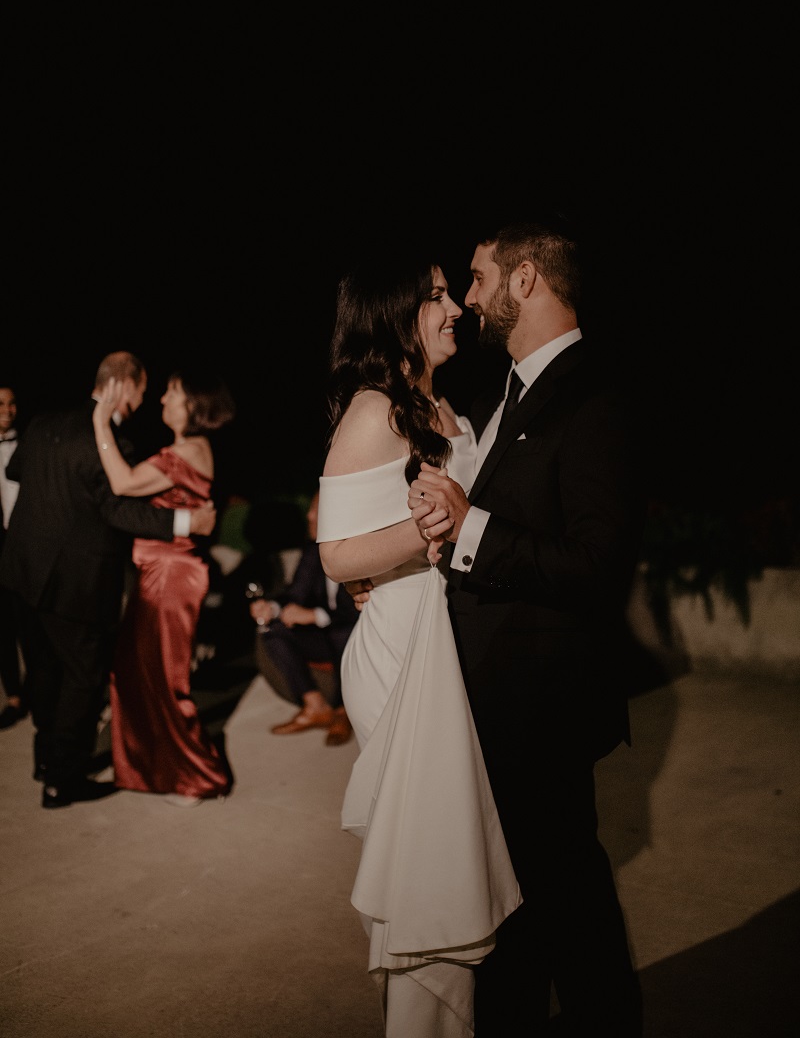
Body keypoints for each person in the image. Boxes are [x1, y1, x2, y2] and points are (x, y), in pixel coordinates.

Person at [405, 220, 646, 1035]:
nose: (469, 298)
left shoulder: (596, 397)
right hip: (486, 702)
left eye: (478, 278)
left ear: (527, 279)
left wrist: (471, 527)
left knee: (567, 903)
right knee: (511, 910)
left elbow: (595, 564)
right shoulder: (492, 399)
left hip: (543, 706)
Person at [316, 256, 521, 1037]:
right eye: (435, 297)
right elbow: (336, 553)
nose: (454, 309)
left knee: (447, 856)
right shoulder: (375, 410)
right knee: (423, 866)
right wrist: (431, 529)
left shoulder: (451, 413)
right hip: (398, 652)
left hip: (448, 645)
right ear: (396, 315)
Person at [0, 352, 218, 809]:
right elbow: (117, 508)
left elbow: (14, 471)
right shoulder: (113, 442)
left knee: (43, 671)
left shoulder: (42, 422)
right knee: (83, 676)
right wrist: (186, 524)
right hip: (75, 580)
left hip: (19, 570)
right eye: (142, 387)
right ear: (125, 386)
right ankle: (62, 779)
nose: (145, 398)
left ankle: (44, 759)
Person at [92, 366, 235, 807]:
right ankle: (156, 767)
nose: (162, 401)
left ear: (193, 404)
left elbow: (122, 483)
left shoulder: (187, 452)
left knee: (165, 679)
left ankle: (197, 776)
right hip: (162, 573)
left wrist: (100, 422)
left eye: (171, 393)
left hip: (171, 577)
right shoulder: (187, 449)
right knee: (138, 673)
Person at [250, 489, 358, 746]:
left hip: (353, 634)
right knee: (272, 629)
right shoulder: (313, 551)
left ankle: (346, 711)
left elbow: (359, 609)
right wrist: (272, 608)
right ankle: (315, 706)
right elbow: (295, 593)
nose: (309, 516)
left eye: (315, 511)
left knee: (342, 632)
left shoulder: (358, 549)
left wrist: (314, 615)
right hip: (326, 635)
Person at [0, 383, 29, 729]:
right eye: (0, 403)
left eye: (11, 402)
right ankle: (14, 696)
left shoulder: (28, 447)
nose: (7, 409)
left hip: (23, 544)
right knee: (3, 626)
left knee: (29, 621)